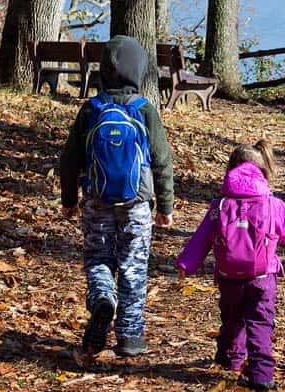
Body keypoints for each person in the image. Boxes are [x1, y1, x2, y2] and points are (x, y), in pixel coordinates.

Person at [59, 35, 175, 357]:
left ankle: (102, 300)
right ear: (139, 69)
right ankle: (130, 336)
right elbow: (162, 160)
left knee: (98, 258)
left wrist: (69, 199)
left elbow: (69, 160)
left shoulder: (92, 109)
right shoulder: (144, 109)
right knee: (134, 267)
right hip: (137, 202)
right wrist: (165, 205)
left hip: (96, 200)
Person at [177, 141, 285, 390]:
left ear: (230, 170)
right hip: (262, 277)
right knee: (260, 324)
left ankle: (230, 358)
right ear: (264, 170)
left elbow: (201, 239)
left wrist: (187, 264)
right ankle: (262, 375)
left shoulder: (220, 205)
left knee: (232, 319)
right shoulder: (273, 205)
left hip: (228, 276)